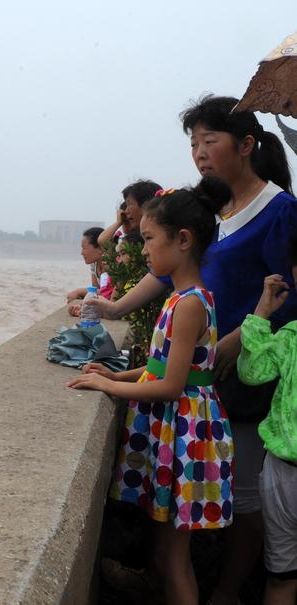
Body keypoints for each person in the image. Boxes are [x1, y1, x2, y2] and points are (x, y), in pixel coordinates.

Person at [85, 94, 297, 605]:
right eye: (193, 143)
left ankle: (226, 590)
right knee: (198, 511)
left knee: (243, 496)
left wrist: (234, 340)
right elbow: (167, 273)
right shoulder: (212, 211)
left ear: (246, 145)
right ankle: (180, 578)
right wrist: (111, 310)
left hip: (248, 372)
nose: (199, 152)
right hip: (206, 369)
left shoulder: (281, 212)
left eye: (210, 140)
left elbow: (288, 295)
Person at [70, 178, 234, 605]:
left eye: (148, 239)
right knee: (161, 549)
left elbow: (173, 384)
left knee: (173, 554)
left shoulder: (191, 302)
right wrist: (116, 374)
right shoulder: (182, 298)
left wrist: (107, 384)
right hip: (174, 430)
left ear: (182, 240)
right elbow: (160, 367)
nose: (143, 250)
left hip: (185, 433)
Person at [237, 241, 297, 605]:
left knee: (282, 580)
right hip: (281, 475)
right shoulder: (290, 335)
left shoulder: (290, 335)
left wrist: (260, 313)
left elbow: (250, 371)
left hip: (283, 476)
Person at [67, 227, 113, 316]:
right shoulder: (94, 265)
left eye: (84, 248)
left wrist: (79, 291)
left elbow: (107, 292)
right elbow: (96, 291)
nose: (82, 253)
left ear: (100, 248)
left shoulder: (112, 266)